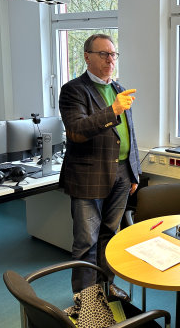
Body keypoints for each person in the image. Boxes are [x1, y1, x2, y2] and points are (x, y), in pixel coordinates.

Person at [59, 34, 141, 299]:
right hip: (88, 176)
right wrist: (113, 110)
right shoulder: (73, 90)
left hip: (120, 174)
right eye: (104, 54)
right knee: (86, 243)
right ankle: (84, 297)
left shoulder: (119, 88)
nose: (110, 59)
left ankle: (105, 287)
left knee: (109, 235)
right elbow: (76, 131)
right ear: (87, 57)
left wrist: (133, 172)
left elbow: (129, 134)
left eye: (113, 54)